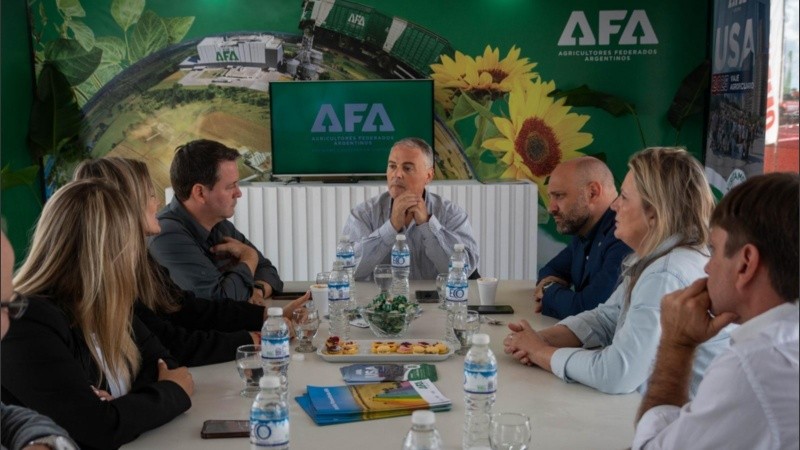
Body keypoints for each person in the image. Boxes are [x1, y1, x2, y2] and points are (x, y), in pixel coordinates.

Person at [503, 147, 731, 395]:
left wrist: (540, 352)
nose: (614, 206)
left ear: (654, 212)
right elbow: (607, 317)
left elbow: (617, 373)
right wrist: (541, 339)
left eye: (624, 197)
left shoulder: (665, 274)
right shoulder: (657, 259)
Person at [1, 180, 194, 450]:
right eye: (132, 243)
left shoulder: (108, 303)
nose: (137, 255)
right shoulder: (28, 321)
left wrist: (124, 408)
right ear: (111, 252)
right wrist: (169, 393)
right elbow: (98, 429)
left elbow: (165, 363)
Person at [73, 157, 308, 366]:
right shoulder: (165, 237)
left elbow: (189, 307)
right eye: (150, 195)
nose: (157, 203)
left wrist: (268, 316)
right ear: (123, 207)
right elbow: (176, 339)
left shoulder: (216, 227)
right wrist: (258, 337)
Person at [633, 173, 799, 449]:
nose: (707, 268)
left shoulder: (751, 367)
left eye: (714, 250)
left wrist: (677, 344)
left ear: (745, 264)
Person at [148, 139, 283, 303]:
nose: (238, 193)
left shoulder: (218, 224)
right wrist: (249, 258)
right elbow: (220, 302)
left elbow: (268, 272)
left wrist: (257, 290)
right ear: (200, 193)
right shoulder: (166, 235)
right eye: (230, 186)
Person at [342, 137, 479, 280]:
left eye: (407, 168)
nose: (397, 175)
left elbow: (466, 270)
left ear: (428, 175)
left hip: (437, 295)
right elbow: (348, 270)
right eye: (392, 166)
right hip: (384, 295)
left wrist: (428, 226)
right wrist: (391, 227)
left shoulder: (452, 214)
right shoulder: (364, 214)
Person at [1, 231, 79, 450]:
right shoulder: (35, 323)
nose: (8, 324)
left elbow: (9, 418)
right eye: (5, 305)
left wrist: (44, 443)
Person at [535, 156, 632, 319]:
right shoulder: (585, 227)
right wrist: (552, 289)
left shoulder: (623, 236)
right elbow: (550, 270)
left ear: (592, 193)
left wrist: (548, 291)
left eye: (559, 196)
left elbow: (588, 310)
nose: (551, 208)